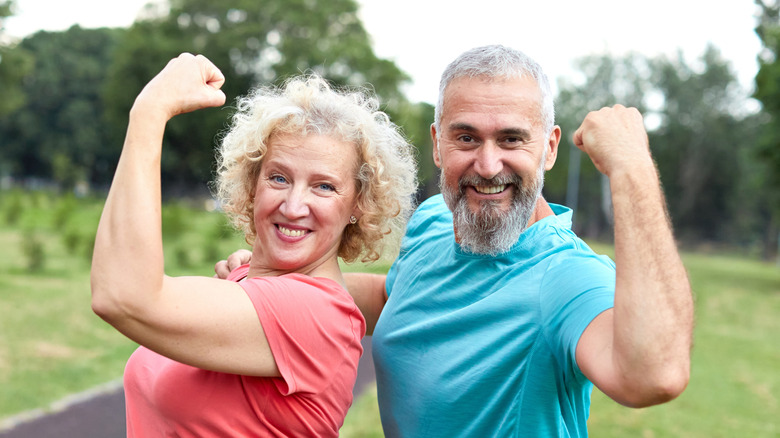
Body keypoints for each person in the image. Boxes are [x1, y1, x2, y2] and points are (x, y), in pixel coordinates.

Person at [217, 45, 694, 437]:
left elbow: (656, 376)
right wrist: (276, 283)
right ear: (438, 143)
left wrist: (631, 169)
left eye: (511, 140)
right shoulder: (433, 222)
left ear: (548, 148)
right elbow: (395, 297)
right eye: (466, 138)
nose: (487, 165)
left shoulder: (565, 278)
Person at [90, 53, 417, 437]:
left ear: (358, 205)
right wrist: (249, 276)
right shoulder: (256, 284)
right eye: (278, 178)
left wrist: (150, 110)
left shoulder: (315, 314)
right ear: (252, 183)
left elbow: (123, 296)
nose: (294, 206)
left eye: (324, 186)